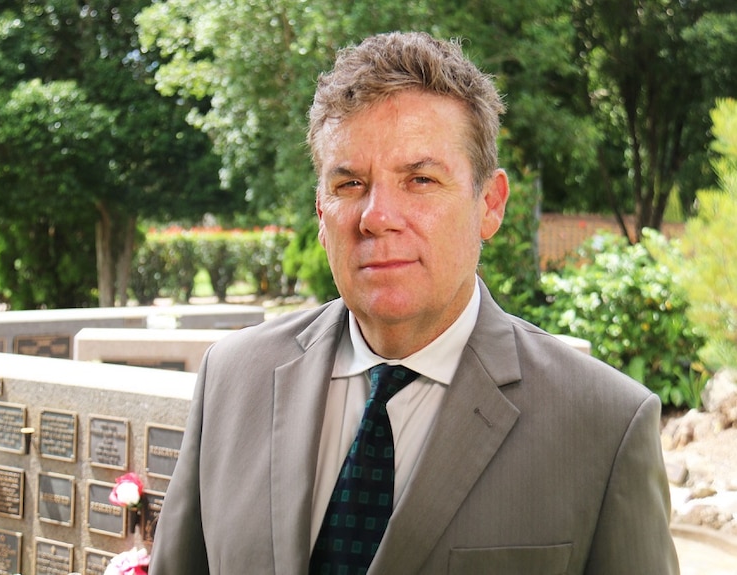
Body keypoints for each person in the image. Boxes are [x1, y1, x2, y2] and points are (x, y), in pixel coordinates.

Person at [148, 31, 678, 574]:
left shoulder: (605, 426)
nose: (376, 216)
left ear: (489, 205)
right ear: (321, 213)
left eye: (420, 180)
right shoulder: (233, 380)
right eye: (350, 183)